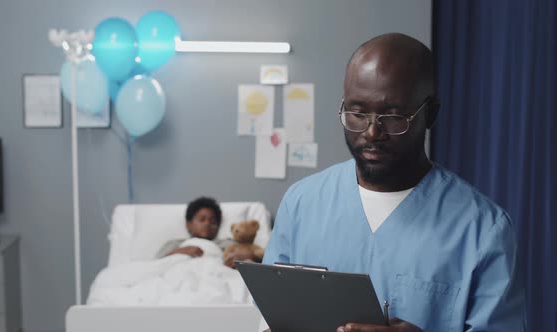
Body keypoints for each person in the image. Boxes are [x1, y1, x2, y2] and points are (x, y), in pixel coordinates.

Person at [262, 33, 526, 332]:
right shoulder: (301, 204)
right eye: (358, 113)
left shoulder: (481, 228)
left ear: (430, 114)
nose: (372, 132)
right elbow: (273, 314)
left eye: (393, 116)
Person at [156, 197, 260, 268]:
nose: (207, 223)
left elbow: (253, 257)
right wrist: (181, 251)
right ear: (188, 224)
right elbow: (155, 266)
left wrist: (245, 257)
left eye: (213, 221)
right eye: (202, 219)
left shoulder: (226, 244)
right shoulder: (175, 244)